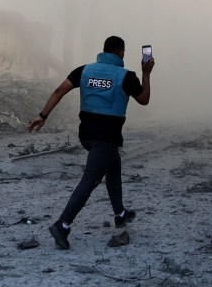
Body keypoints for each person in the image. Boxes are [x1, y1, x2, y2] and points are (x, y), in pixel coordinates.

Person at [27, 36, 155, 250]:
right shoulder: (126, 76)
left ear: (103, 51)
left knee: (114, 165)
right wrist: (146, 73)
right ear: (121, 54)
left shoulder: (84, 70)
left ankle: (120, 215)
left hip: (86, 134)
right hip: (105, 137)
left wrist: (43, 115)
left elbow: (59, 90)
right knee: (90, 180)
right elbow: (144, 99)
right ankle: (62, 225)